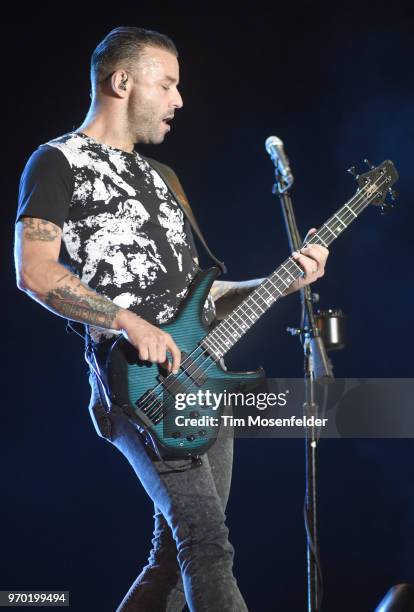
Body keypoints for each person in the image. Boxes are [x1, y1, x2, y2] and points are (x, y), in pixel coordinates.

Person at [14, 27, 329, 612]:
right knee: (208, 547)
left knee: (174, 554)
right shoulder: (57, 161)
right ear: (122, 81)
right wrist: (130, 322)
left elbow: (203, 300)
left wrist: (280, 281)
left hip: (204, 378)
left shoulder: (166, 180)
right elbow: (34, 270)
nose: (179, 100)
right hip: (136, 379)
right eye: (168, 84)